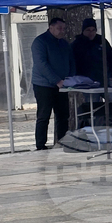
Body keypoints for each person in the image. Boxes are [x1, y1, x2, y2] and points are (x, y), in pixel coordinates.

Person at [31, 17, 75, 150]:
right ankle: (40, 144)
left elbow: (71, 61)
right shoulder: (40, 42)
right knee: (44, 115)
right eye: (59, 28)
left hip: (62, 84)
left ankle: (62, 142)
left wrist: (70, 78)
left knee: (63, 114)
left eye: (63, 28)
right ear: (51, 28)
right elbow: (42, 64)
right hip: (44, 84)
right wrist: (57, 80)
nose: (62, 31)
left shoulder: (64, 43)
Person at [72, 18, 112, 85]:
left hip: (105, 78)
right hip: (85, 81)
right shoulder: (77, 44)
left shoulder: (101, 40)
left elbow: (111, 58)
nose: (91, 33)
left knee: (111, 95)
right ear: (83, 31)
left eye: (93, 30)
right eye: (88, 30)